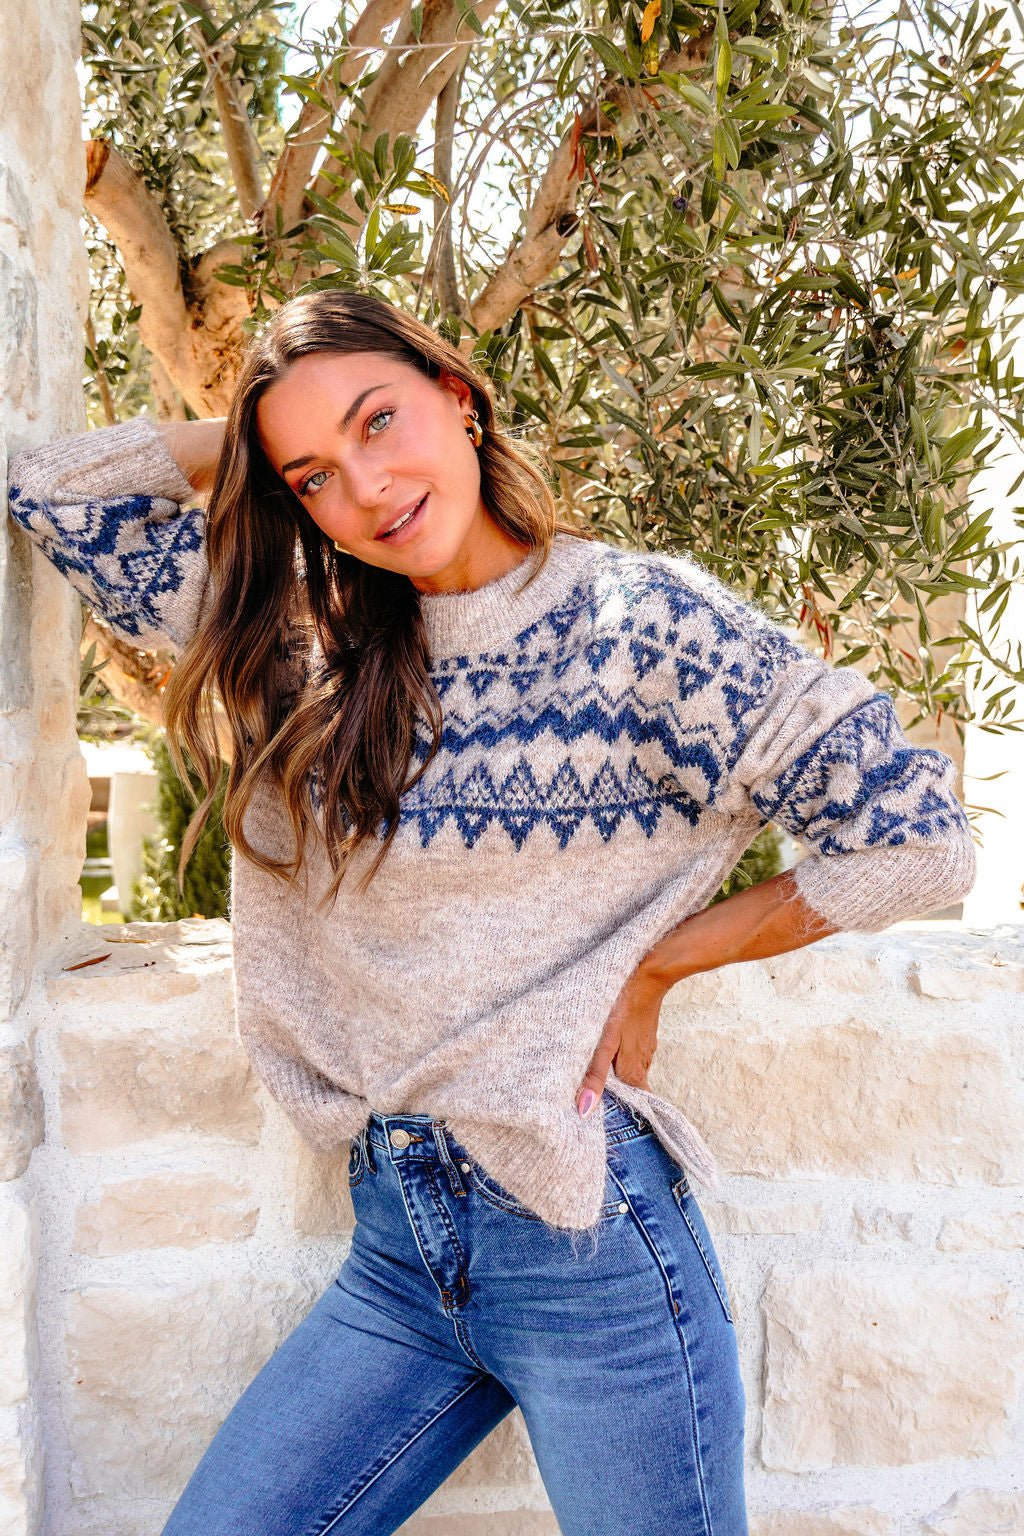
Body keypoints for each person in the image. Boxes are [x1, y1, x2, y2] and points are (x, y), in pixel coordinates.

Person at [7, 290, 975, 1536]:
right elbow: (56, 492)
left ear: (457, 397)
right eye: (313, 475)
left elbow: (915, 837)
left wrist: (659, 969)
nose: (364, 486)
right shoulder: (308, 652)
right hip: (400, 1239)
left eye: (381, 421)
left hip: (586, 1242)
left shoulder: (645, 628)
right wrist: (244, 441)